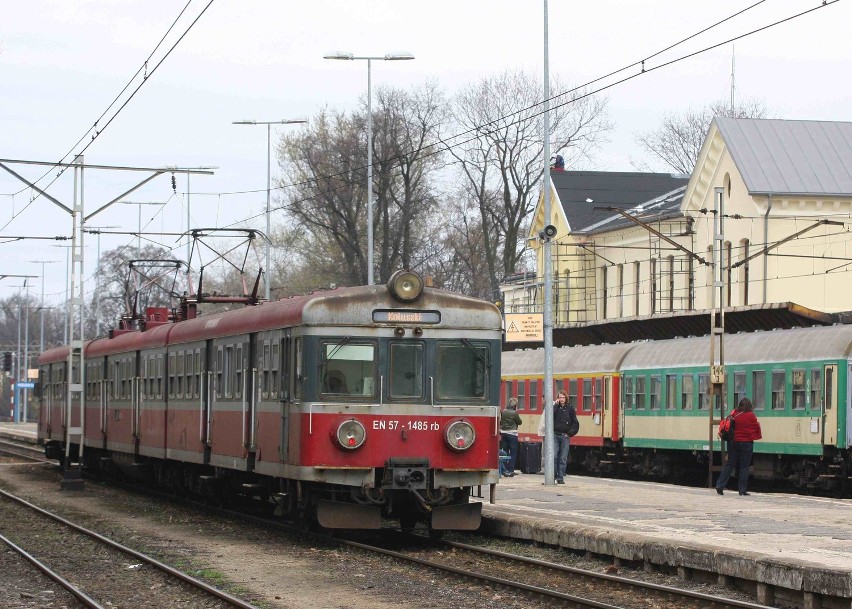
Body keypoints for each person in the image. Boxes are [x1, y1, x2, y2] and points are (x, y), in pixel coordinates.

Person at [715, 397, 762, 496]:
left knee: (729, 465)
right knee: (744, 467)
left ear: (739, 405)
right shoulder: (751, 416)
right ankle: (742, 490)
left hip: (733, 443)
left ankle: (720, 485)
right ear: (750, 406)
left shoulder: (734, 414)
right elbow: (756, 428)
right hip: (746, 444)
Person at [552, 390, 578, 484]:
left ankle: (560, 477)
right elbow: (550, 417)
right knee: (554, 456)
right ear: (557, 398)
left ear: (566, 398)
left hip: (565, 436)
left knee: (563, 458)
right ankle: (553, 476)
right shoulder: (555, 408)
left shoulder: (570, 409)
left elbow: (575, 423)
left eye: (563, 397)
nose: (561, 399)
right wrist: (555, 405)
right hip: (555, 435)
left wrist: (569, 433)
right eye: (560, 397)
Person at [499, 397, 523, 477]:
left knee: (504, 452)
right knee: (513, 452)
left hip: (503, 433)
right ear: (514, 405)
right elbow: (519, 422)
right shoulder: (514, 413)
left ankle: (504, 469)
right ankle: (511, 469)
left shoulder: (504, 411)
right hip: (512, 434)